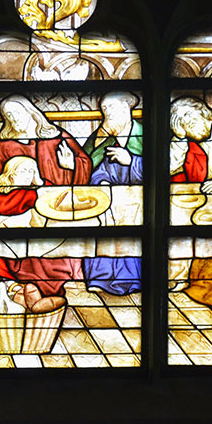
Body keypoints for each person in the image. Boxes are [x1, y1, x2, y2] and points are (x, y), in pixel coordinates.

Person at [0, 95, 91, 228]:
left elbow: (85, 163)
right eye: (9, 115)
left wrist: (73, 165)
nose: (14, 118)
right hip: (20, 213)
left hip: (59, 207)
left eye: (17, 112)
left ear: (30, 111)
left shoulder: (56, 136)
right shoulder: (4, 146)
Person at [82, 92, 142, 295]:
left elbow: (164, 170)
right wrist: (101, 181)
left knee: (132, 230)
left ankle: (132, 279)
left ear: (126, 108)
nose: (107, 113)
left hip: (139, 202)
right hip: (110, 199)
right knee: (101, 225)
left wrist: (132, 161)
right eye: (104, 109)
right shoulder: (102, 140)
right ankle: (101, 278)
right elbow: (92, 168)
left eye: (111, 107)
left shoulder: (148, 134)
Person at [169, 96, 212, 185]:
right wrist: (180, 139)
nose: (186, 121)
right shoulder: (186, 147)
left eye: (187, 114)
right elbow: (170, 170)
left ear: (202, 111)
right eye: (180, 120)